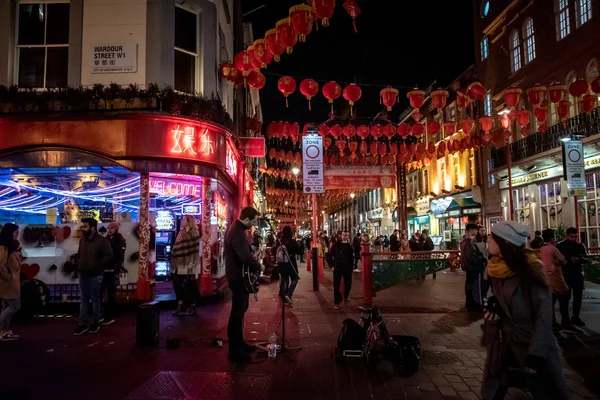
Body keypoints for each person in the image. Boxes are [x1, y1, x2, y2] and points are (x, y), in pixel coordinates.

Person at [481, 221, 569, 400]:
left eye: (492, 237)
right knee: (493, 391)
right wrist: (495, 304)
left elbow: (543, 315)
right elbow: (502, 299)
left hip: (530, 345)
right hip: (504, 344)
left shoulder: (531, 268)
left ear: (505, 242)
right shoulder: (495, 268)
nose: (487, 239)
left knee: (546, 391)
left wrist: (536, 353)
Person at [225, 207, 263, 363]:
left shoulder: (238, 230)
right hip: (237, 278)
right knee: (237, 312)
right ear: (247, 219)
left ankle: (239, 343)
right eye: (253, 221)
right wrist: (258, 266)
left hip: (238, 276)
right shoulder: (237, 233)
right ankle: (234, 350)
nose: (253, 224)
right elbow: (245, 257)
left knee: (241, 310)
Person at [74, 218, 113, 336]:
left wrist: (97, 264)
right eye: (82, 226)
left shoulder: (102, 241)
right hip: (83, 273)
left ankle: (95, 322)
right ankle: (83, 323)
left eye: (85, 226)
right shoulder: (82, 240)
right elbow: (80, 254)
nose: (82, 229)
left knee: (95, 299)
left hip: (96, 274)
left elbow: (109, 255)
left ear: (92, 228)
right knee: (84, 299)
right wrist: (78, 264)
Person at [539, 229, 575, 332]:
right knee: (564, 298)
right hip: (556, 276)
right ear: (551, 238)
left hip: (546, 277)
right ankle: (566, 321)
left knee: (551, 301)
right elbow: (564, 261)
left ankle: (553, 322)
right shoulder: (553, 248)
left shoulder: (542, 249)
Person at [557, 227, 587, 327]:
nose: (574, 239)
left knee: (578, 296)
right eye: (571, 237)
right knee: (565, 297)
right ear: (567, 235)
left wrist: (580, 259)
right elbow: (558, 259)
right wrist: (570, 259)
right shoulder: (560, 245)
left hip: (577, 274)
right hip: (566, 274)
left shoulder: (580, 245)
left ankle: (575, 316)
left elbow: (586, 257)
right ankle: (565, 318)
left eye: (575, 237)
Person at [171, 215, 201, 316]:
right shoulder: (181, 232)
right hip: (179, 262)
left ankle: (192, 306)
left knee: (190, 285)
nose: (182, 221)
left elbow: (195, 251)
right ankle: (180, 304)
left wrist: (192, 263)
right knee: (177, 283)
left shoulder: (195, 234)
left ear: (189, 222)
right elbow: (176, 246)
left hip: (190, 263)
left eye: (184, 219)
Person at [101, 222, 126, 325]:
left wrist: (117, 268)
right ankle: (104, 313)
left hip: (112, 269)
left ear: (116, 229)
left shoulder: (119, 240)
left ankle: (110, 315)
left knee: (111, 292)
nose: (110, 230)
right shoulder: (105, 240)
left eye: (112, 228)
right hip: (104, 269)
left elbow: (120, 256)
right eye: (108, 228)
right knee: (102, 291)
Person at [0, 224, 22, 341]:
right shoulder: (4, 248)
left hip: (10, 281)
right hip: (8, 282)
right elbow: (1, 265)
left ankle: (5, 331)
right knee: (15, 305)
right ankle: (3, 329)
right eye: (16, 233)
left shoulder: (9, 247)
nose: (17, 236)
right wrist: (7, 276)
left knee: (7, 306)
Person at [460, 223, 486, 310]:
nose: (474, 232)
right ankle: (474, 304)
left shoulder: (467, 242)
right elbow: (472, 258)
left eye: (475, 230)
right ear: (467, 231)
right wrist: (481, 257)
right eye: (472, 231)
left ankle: (471, 304)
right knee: (474, 286)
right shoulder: (468, 243)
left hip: (470, 268)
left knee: (470, 286)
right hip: (473, 268)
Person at [275, 226, 302, 306]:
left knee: (285, 279)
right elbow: (299, 251)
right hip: (291, 263)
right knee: (295, 279)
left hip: (281, 264)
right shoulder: (292, 241)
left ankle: (284, 296)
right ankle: (288, 294)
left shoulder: (279, 241)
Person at [330, 231, 355, 310]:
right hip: (337, 268)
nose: (345, 236)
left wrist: (351, 268)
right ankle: (336, 302)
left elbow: (352, 258)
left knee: (348, 284)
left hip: (347, 268)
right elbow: (330, 255)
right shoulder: (336, 245)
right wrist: (332, 266)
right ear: (341, 236)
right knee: (336, 286)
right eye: (344, 235)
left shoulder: (350, 246)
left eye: (347, 235)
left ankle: (345, 295)